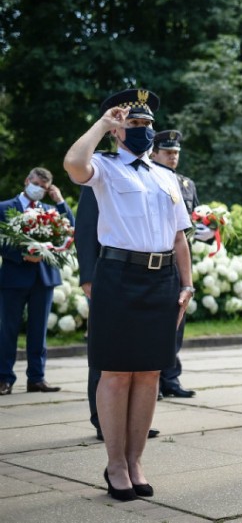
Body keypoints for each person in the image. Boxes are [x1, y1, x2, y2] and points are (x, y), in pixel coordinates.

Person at [64, 88, 193, 501]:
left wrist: (186, 284)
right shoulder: (103, 166)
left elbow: (178, 237)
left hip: (162, 281)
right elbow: (72, 164)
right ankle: (115, 464)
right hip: (119, 276)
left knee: (150, 373)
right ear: (119, 131)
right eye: (134, 124)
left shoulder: (166, 176)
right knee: (117, 374)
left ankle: (136, 461)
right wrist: (103, 125)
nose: (143, 131)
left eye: (147, 125)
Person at [75, 186, 160, 441]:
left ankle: (133, 423)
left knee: (139, 356)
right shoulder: (103, 171)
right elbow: (87, 226)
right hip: (109, 276)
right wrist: (88, 276)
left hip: (146, 278)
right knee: (108, 353)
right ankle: (103, 420)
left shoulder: (151, 175)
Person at [0, 168, 74, 396]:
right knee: (7, 330)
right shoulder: (4, 208)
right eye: (36, 184)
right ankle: (4, 378)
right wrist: (22, 255)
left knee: (38, 331)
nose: (39, 189)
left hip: (43, 278)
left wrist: (60, 201)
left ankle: (36, 378)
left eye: (44, 187)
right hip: (14, 278)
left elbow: (71, 229)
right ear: (27, 180)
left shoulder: (50, 210)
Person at [149, 130, 201, 399]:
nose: (173, 157)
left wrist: (208, 229)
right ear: (154, 152)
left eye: (176, 153)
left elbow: (194, 219)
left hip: (180, 260)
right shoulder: (147, 178)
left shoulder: (185, 184)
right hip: (155, 260)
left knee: (176, 325)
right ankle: (152, 381)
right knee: (153, 327)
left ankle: (170, 378)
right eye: (168, 152)